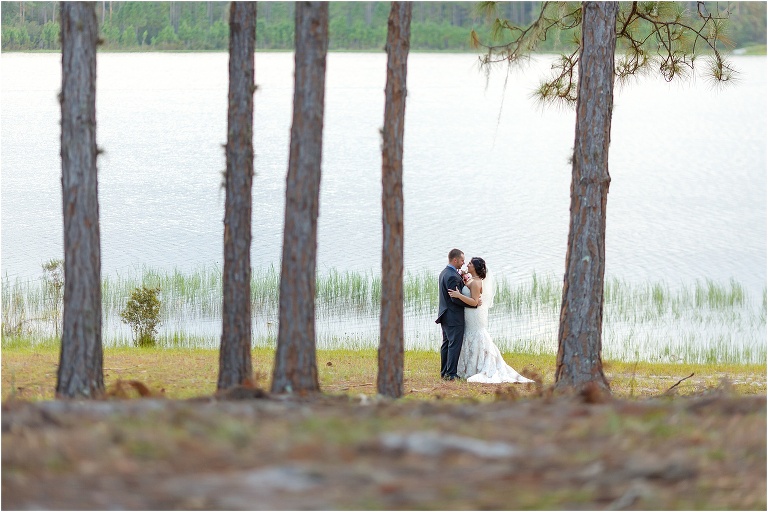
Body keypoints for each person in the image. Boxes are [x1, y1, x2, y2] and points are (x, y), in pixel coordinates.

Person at [448, 257, 534, 384]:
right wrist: (463, 276)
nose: (467, 264)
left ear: (475, 268)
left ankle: (480, 365)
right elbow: (471, 292)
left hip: (474, 314)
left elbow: (475, 301)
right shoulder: (472, 279)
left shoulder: (477, 282)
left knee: (476, 335)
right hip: (469, 313)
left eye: (470, 263)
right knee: (469, 335)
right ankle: (469, 366)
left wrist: (459, 295)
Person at [435, 249, 479, 380]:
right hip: (453, 316)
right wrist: (473, 304)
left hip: (445, 314)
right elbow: (455, 298)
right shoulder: (452, 276)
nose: (463, 263)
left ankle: (444, 372)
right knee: (454, 345)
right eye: (461, 260)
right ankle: (451, 374)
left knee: (446, 344)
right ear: (455, 260)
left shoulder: (445, 272)